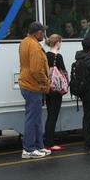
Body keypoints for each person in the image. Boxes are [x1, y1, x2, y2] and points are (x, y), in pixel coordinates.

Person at [19, 22, 51, 159]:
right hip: (33, 86)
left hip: (27, 84)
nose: (44, 34)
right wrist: (45, 83)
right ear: (36, 33)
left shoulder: (24, 42)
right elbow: (37, 70)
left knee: (36, 118)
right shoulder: (34, 47)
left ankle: (39, 146)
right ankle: (28, 149)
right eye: (42, 32)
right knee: (32, 119)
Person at [44, 34, 67, 152]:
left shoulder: (46, 55)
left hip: (48, 89)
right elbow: (63, 72)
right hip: (56, 90)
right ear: (57, 43)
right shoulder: (58, 57)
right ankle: (50, 143)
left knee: (50, 115)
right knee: (53, 116)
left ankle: (47, 139)